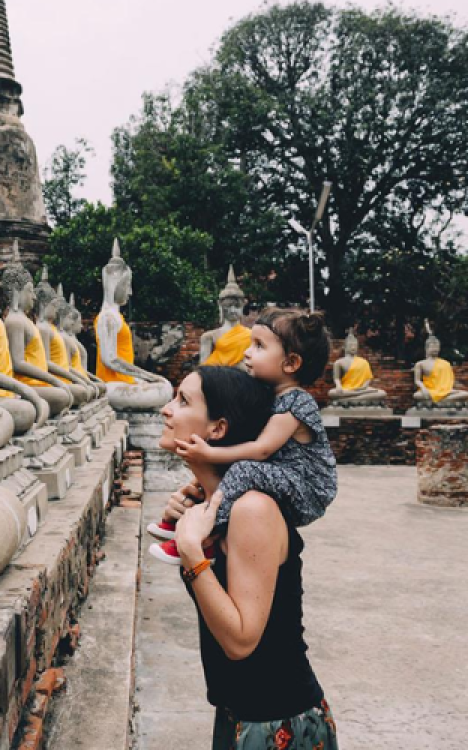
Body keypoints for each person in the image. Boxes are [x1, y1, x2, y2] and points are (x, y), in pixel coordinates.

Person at [158, 367, 339, 749]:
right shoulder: (215, 507)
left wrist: (191, 551)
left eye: (183, 401)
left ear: (218, 429)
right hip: (236, 713)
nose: (166, 409)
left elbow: (241, 641)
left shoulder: (253, 509)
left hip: (275, 721)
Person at [149, 308, 337, 563]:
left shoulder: (296, 402)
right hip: (283, 477)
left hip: (307, 489)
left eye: (259, 346)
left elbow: (261, 449)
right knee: (230, 473)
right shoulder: (269, 397)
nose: (247, 352)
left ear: (291, 363)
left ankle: (207, 535)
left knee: (244, 470)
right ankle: (184, 518)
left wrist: (209, 453)